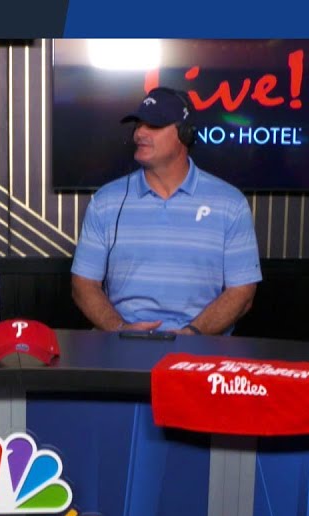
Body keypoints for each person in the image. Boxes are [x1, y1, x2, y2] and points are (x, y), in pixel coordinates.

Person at [70, 87, 262, 335]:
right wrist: (121, 329)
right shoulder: (105, 201)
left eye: (153, 125)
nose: (139, 133)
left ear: (184, 134)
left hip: (201, 347)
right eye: (138, 125)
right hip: (121, 344)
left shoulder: (231, 204)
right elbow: (83, 285)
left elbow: (242, 293)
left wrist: (192, 334)